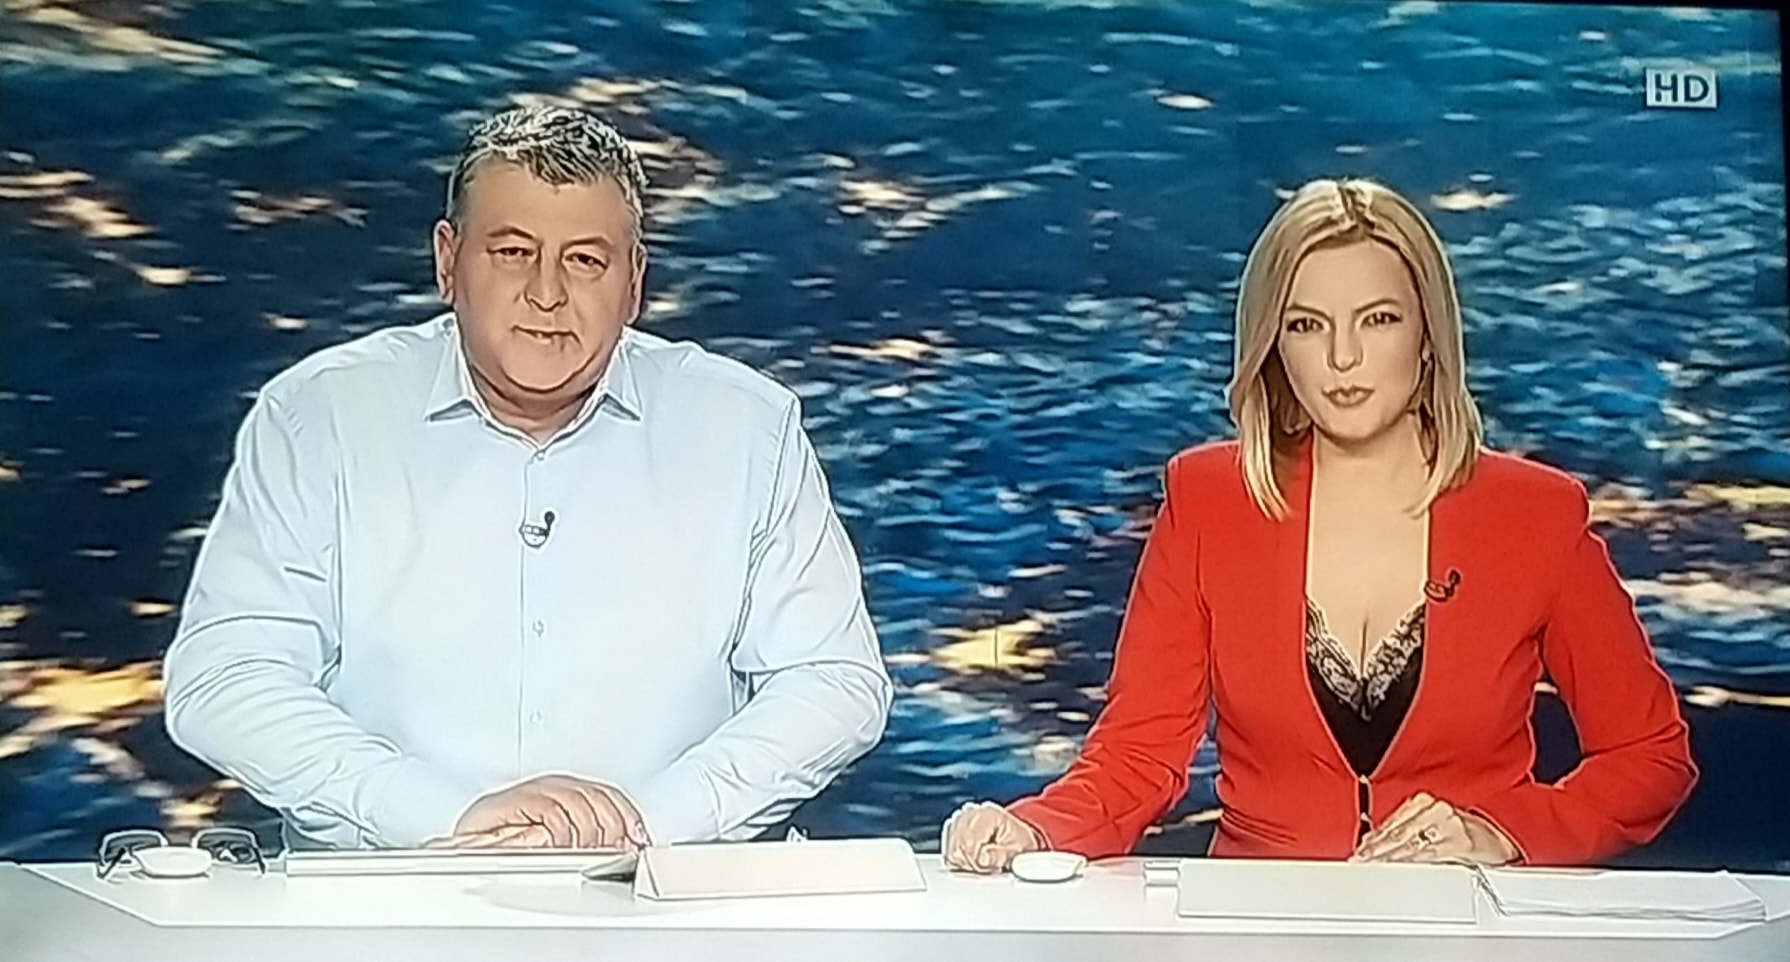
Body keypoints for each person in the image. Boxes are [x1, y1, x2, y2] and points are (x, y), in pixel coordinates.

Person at [163, 104, 892, 852]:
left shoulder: (748, 428)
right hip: (382, 897)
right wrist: (441, 819)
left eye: (586, 260)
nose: (547, 294)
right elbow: (225, 677)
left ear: (634, 282)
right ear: (448, 261)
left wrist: (647, 826)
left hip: (672, 896)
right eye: (513, 252)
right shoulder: (318, 418)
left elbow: (834, 680)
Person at [941, 178, 1696, 871]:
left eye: (1378, 320)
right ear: (1274, 345)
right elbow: (1139, 752)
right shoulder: (1208, 501)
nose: (1342, 357)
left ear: (1428, 335)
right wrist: (1037, 828)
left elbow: (1650, 755)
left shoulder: (1535, 516)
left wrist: (1503, 830)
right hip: (1261, 924)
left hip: (1467, 925)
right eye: (1307, 325)